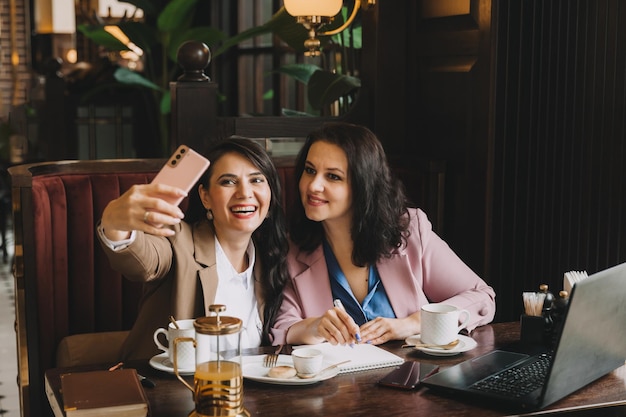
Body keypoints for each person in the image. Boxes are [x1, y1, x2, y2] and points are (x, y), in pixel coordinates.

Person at [272, 122, 496, 346]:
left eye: (333, 176)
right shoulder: (291, 248)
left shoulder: (410, 231)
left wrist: (414, 323)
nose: (313, 186)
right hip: (334, 380)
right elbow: (282, 328)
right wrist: (314, 326)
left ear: (363, 186)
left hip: (414, 376)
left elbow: (481, 297)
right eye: (310, 171)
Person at [98, 138, 289, 360]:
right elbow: (145, 262)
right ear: (205, 197)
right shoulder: (178, 239)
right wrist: (115, 224)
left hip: (249, 392)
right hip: (166, 389)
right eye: (228, 182)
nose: (244, 193)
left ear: (270, 195)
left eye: (256, 180)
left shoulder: (272, 257)